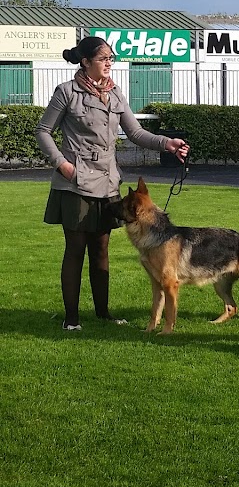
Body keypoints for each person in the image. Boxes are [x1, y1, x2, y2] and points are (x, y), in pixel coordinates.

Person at [35, 36, 189, 331]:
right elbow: (43, 131)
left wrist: (167, 143)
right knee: (75, 249)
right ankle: (72, 319)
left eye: (111, 59)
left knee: (101, 249)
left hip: (107, 183)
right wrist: (62, 164)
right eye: (103, 58)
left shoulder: (115, 93)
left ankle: (103, 313)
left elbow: (136, 133)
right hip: (74, 182)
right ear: (85, 62)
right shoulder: (67, 92)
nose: (108, 63)